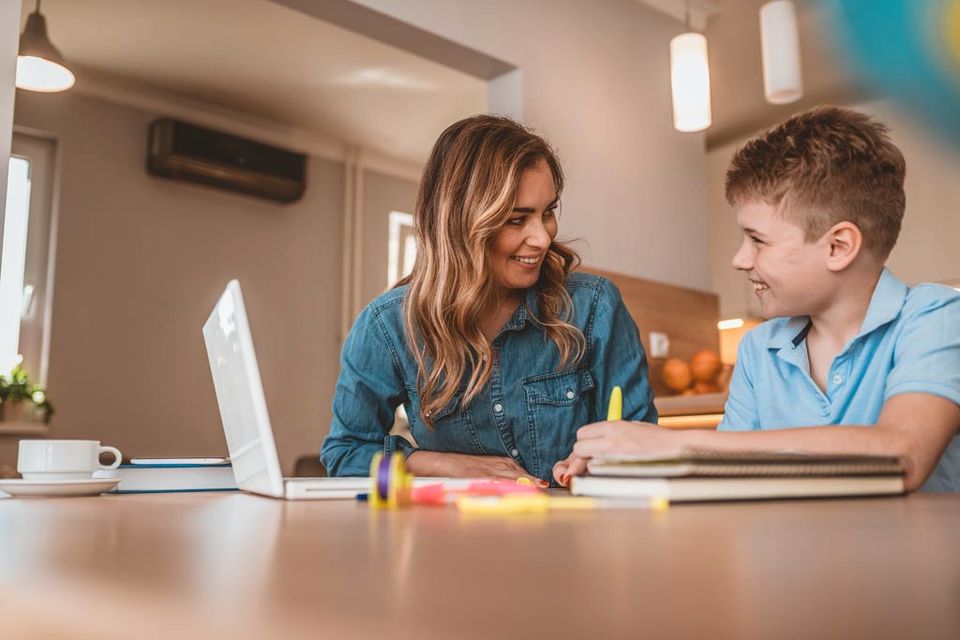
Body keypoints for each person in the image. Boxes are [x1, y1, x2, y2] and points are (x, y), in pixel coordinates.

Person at [555, 106, 960, 492]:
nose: (739, 258)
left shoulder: (936, 317)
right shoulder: (759, 348)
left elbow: (903, 454)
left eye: (757, 240)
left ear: (838, 246)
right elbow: (727, 473)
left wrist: (679, 443)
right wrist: (625, 462)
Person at [321, 115, 657, 484]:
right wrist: (444, 464)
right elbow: (346, 452)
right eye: (516, 219)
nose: (542, 239)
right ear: (460, 224)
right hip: (455, 537)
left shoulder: (594, 307)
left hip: (575, 537)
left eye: (547, 213)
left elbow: (644, 447)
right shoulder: (388, 326)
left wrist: (604, 463)